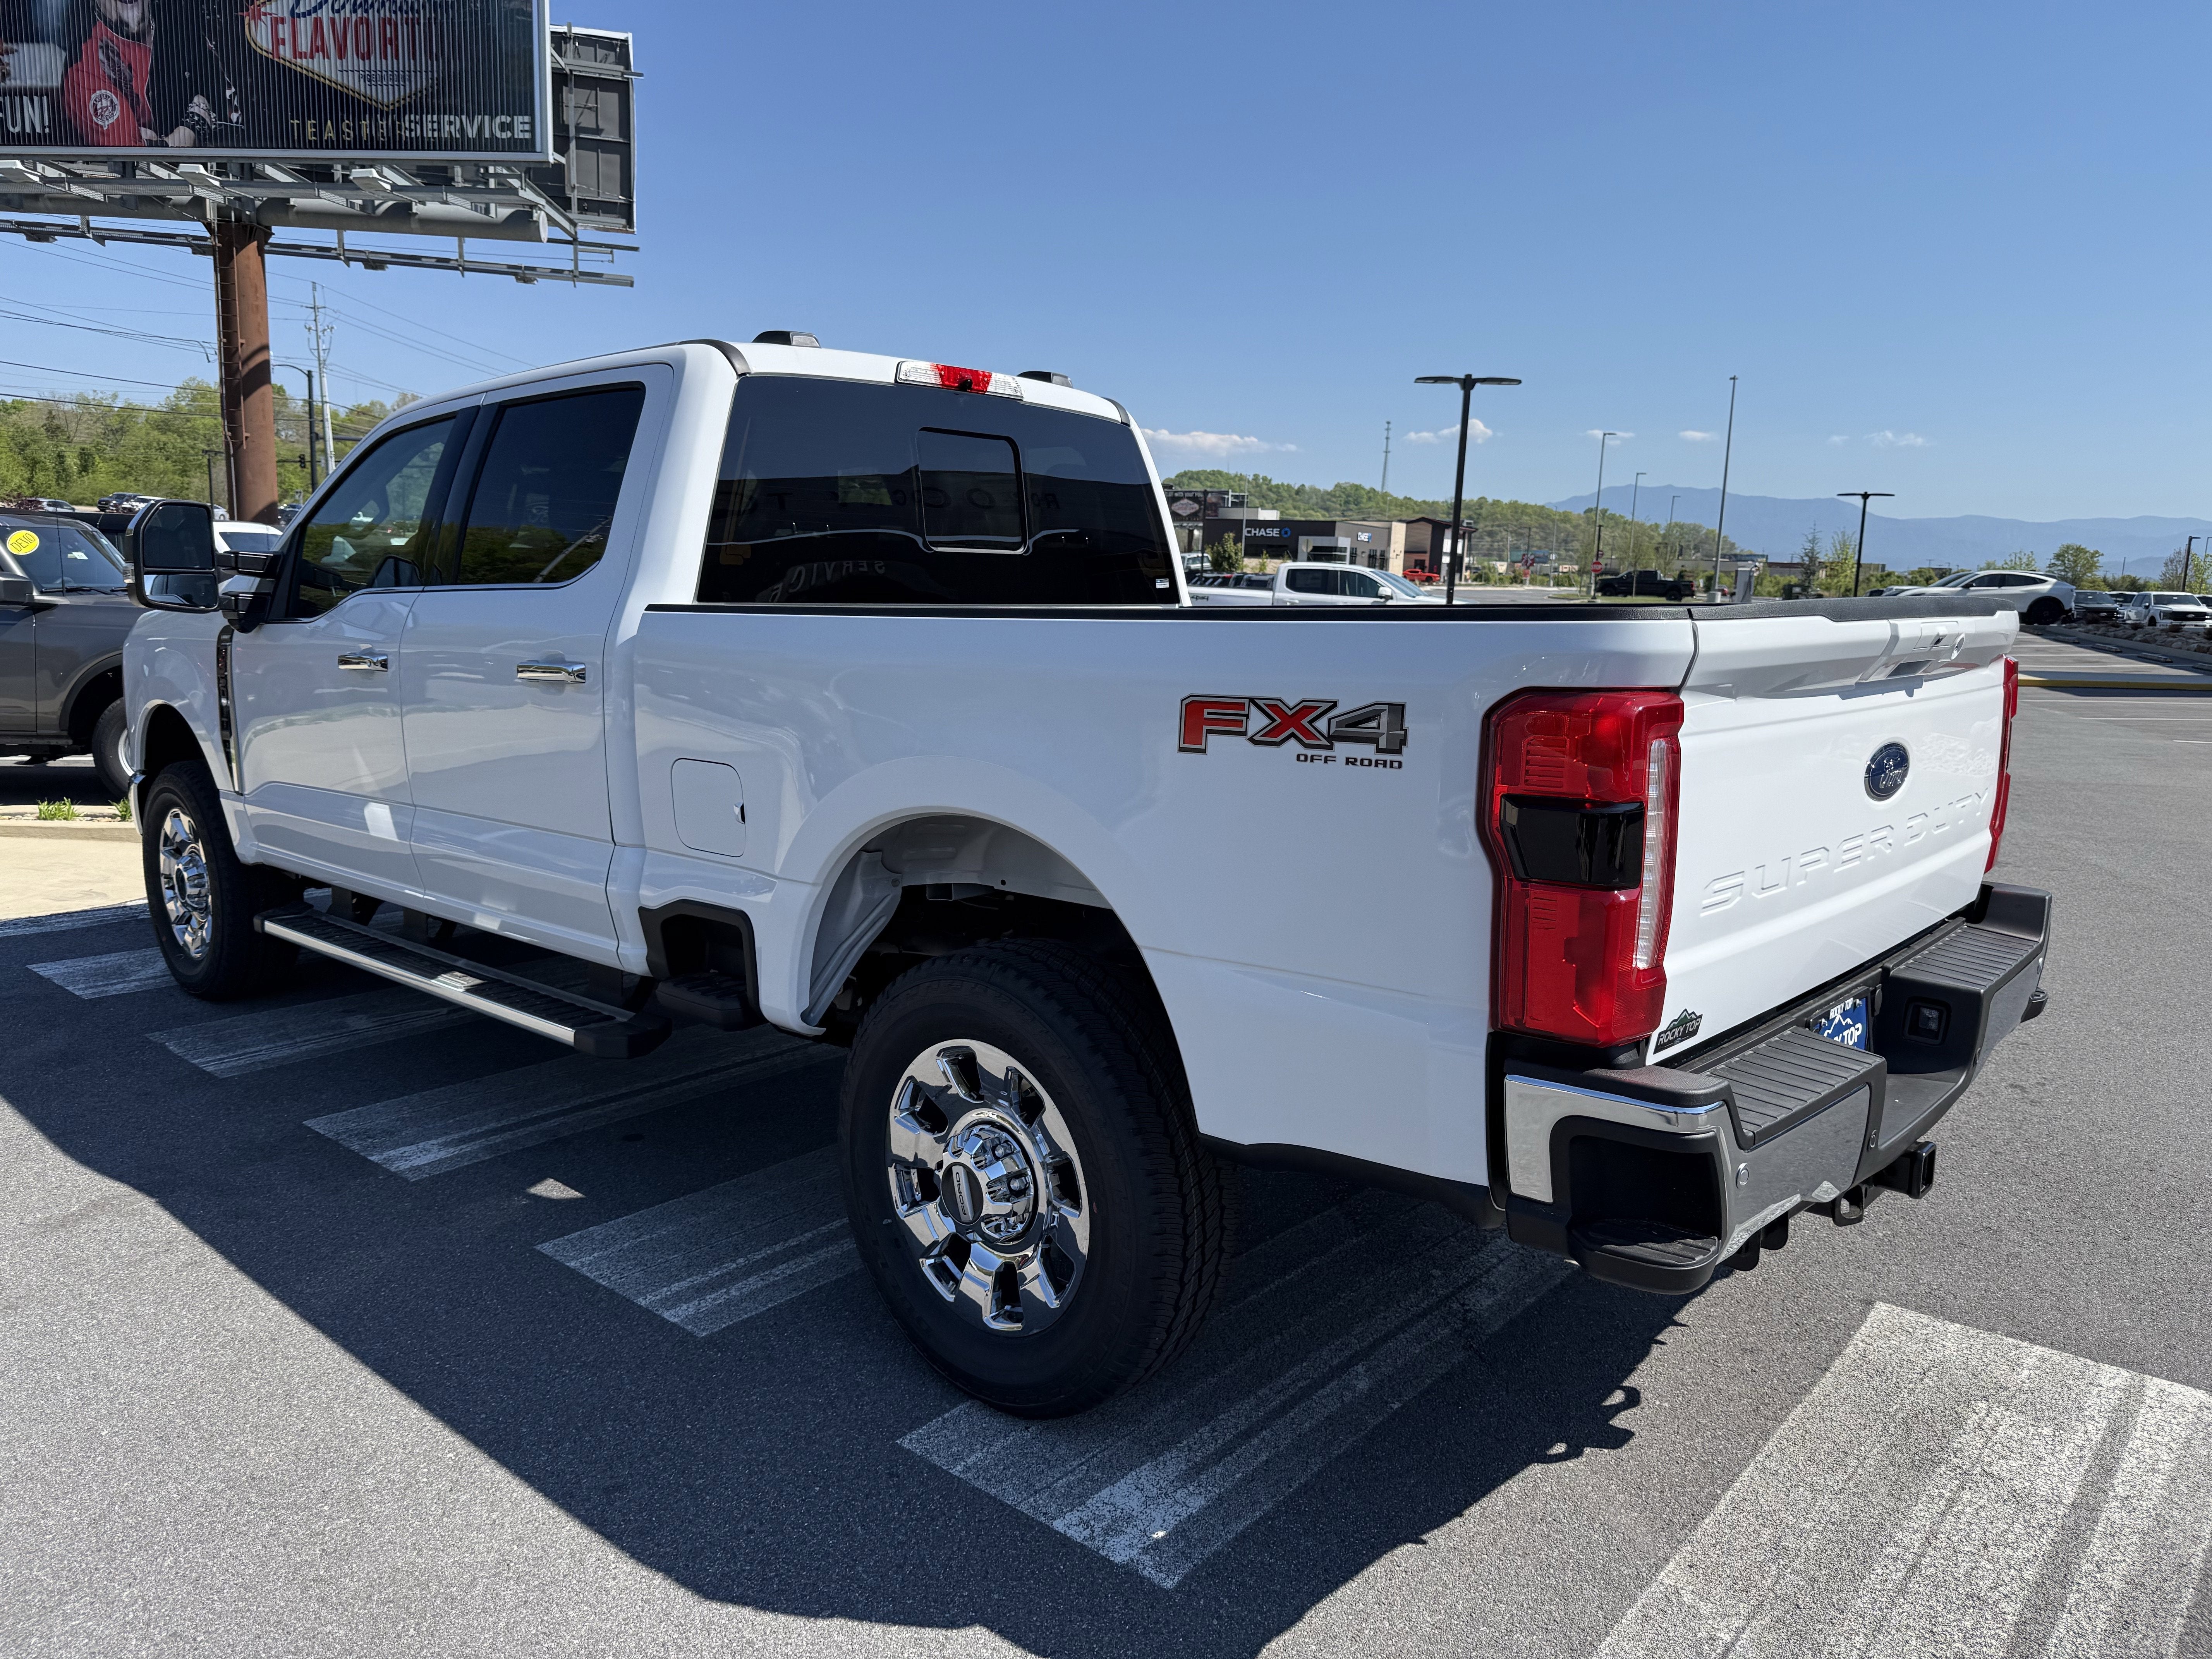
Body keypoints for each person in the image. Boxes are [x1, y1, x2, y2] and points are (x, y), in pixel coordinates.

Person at [60, 0, 236, 148]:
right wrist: (192, 128)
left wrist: (169, 141)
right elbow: (136, 161)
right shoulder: (85, 62)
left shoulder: (182, 23)